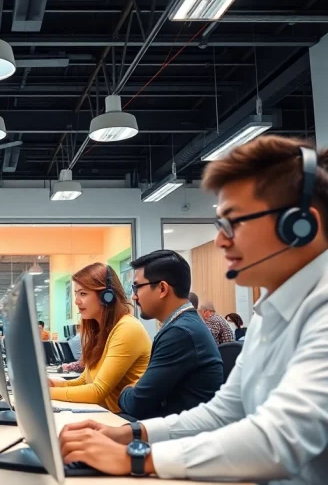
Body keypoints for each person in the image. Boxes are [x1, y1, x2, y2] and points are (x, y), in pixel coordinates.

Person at [58, 136, 328, 483]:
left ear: (300, 226)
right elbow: (222, 413)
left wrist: (138, 459)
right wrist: (128, 436)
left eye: (234, 221)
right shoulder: (268, 317)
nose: (219, 240)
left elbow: (280, 438)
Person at [117, 250, 223, 420]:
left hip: (178, 437)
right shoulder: (183, 325)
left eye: (137, 287)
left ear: (162, 288)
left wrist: (124, 391)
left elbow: (138, 403)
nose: (134, 296)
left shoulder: (180, 333)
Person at [49, 263, 151, 412]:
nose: (76, 301)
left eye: (83, 294)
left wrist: (46, 394)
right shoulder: (102, 331)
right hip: (106, 415)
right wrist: (52, 384)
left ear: (106, 296)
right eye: (76, 293)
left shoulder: (127, 328)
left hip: (123, 421)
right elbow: (84, 381)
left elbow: (97, 391)